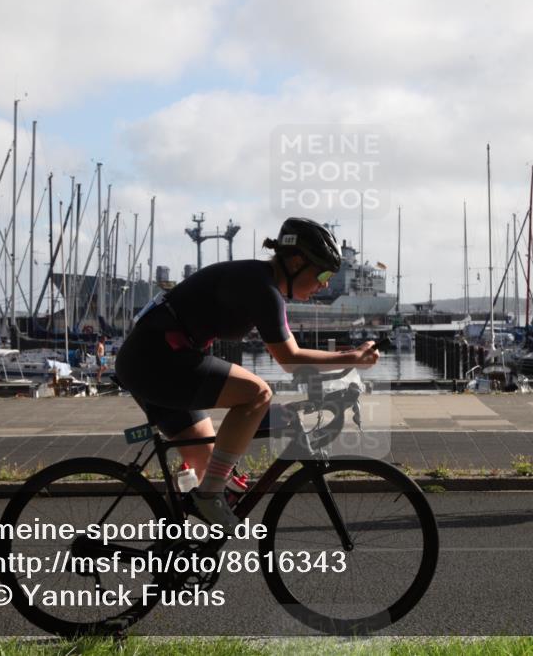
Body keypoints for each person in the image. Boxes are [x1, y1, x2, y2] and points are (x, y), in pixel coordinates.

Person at [115, 218, 380, 527]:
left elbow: (291, 353)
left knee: (208, 461)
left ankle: (179, 555)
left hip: (153, 359)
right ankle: (208, 495)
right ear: (296, 262)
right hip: (157, 361)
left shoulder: (260, 281)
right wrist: (352, 357)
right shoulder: (262, 288)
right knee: (257, 394)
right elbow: (290, 358)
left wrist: (338, 363)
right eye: (322, 274)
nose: (324, 284)